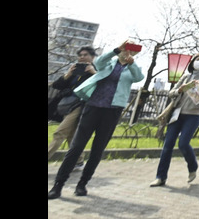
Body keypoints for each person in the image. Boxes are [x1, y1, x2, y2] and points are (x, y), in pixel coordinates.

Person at [48, 41, 144, 199]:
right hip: (93, 107)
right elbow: (98, 62)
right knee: (76, 148)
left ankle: (82, 184)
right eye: (124, 50)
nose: (126, 53)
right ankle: (58, 185)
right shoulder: (107, 63)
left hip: (112, 111)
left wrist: (131, 64)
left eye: (129, 51)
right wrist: (117, 49)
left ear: (133, 54)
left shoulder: (133, 68)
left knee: (97, 150)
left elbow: (138, 77)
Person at [151, 53, 199, 186]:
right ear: (192, 63)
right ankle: (160, 176)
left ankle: (192, 166)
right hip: (177, 113)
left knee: (183, 143)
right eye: (197, 59)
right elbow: (171, 93)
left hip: (193, 115)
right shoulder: (186, 76)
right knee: (167, 145)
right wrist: (179, 90)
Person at [49, 47, 97, 164]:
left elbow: (104, 85)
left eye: (85, 55)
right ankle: (79, 161)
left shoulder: (96, 71)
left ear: (92, 57)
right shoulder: (75, 71)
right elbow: (56, 85)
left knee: (60, 132)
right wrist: (68, 74)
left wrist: (93, 72)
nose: (82, 57)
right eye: (80, 55)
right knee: (72, 136)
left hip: (80, 106)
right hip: (66, 105)